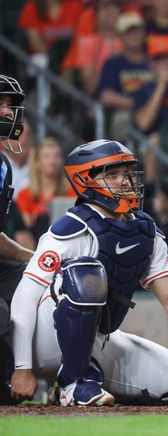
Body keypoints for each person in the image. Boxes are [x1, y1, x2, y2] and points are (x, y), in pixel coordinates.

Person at [10, 139, 168, 406]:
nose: (124, 181)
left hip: (99, 340)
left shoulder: (145, 231)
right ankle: (72, 384)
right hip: (46, 341)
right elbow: (25, 296)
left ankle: (91, 376)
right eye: (112, 174)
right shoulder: (70, 230)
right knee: (85, 274)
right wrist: (22, 366)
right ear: (85, 180)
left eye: (127, 173)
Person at [0, 76, 34, 404]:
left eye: (11, 106)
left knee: (35, 286)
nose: (10, 113)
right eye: (2, 105)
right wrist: (29, 255)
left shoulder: (3, 165)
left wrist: (32, 262)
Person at [18, 0, 83, 63]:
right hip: (43, 56)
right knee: (42, 62)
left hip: (70, 56)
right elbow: (35, 40)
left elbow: (80, 36)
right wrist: (53, 59)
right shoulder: (31, 7)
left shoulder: (75, 6)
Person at [14, 138, 76, 239]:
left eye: (57, 155)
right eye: (46, 156)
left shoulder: (72, 190)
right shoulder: (25, 194)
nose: (52, 160)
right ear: (36, 163)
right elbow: (26, 229)